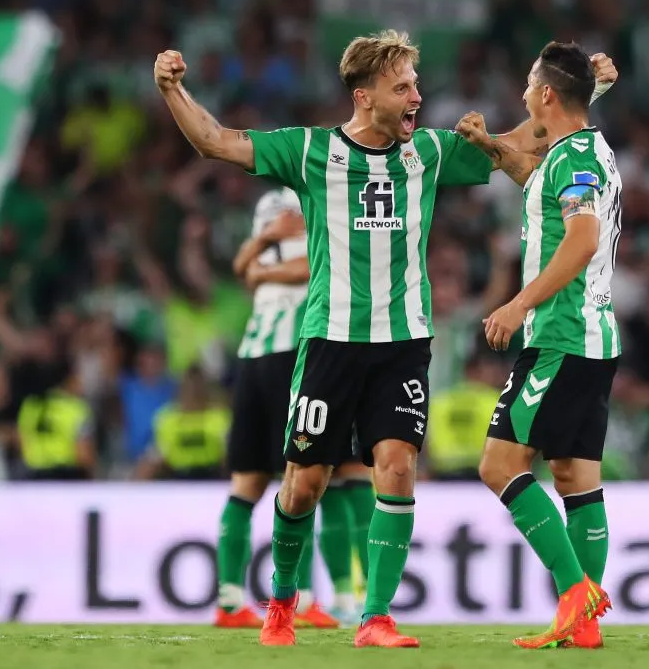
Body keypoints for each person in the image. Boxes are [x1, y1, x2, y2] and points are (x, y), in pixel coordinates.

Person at [153, 31, 617, 649]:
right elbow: (215, 142)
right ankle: (282, 600)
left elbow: (529, 138)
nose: (417, 98)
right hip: (330, 341)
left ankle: (375, 616)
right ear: (365, 95)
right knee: (303, 484)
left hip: (403, 344)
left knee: (396, 470)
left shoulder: (428, 150)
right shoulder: (311, 151)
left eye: (416, 86)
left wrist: (593, 91)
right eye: (403, 88)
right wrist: (172, 88)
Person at [455, 41, 622, 649]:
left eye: (530, 83)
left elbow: (580, 238)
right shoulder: (579, 152)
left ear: (547, 94)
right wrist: (492, 149)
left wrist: (517, 302)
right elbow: (538, 182)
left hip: (559, 336)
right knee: (575, 476)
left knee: (498, 466)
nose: (524, 93)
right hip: (593, 337)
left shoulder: (576, 155)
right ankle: (582, 631)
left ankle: (576, 589)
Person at [213, 188, 371, 630]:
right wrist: (268, 262)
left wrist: (262, 258)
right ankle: (310, 599)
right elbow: (316, 266)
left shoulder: (266, 216)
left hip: (251, 358)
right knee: (315, 471)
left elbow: (245, 271)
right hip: (294, 358)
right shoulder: (317, 200)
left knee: (249, 480)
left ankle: (229, 601)